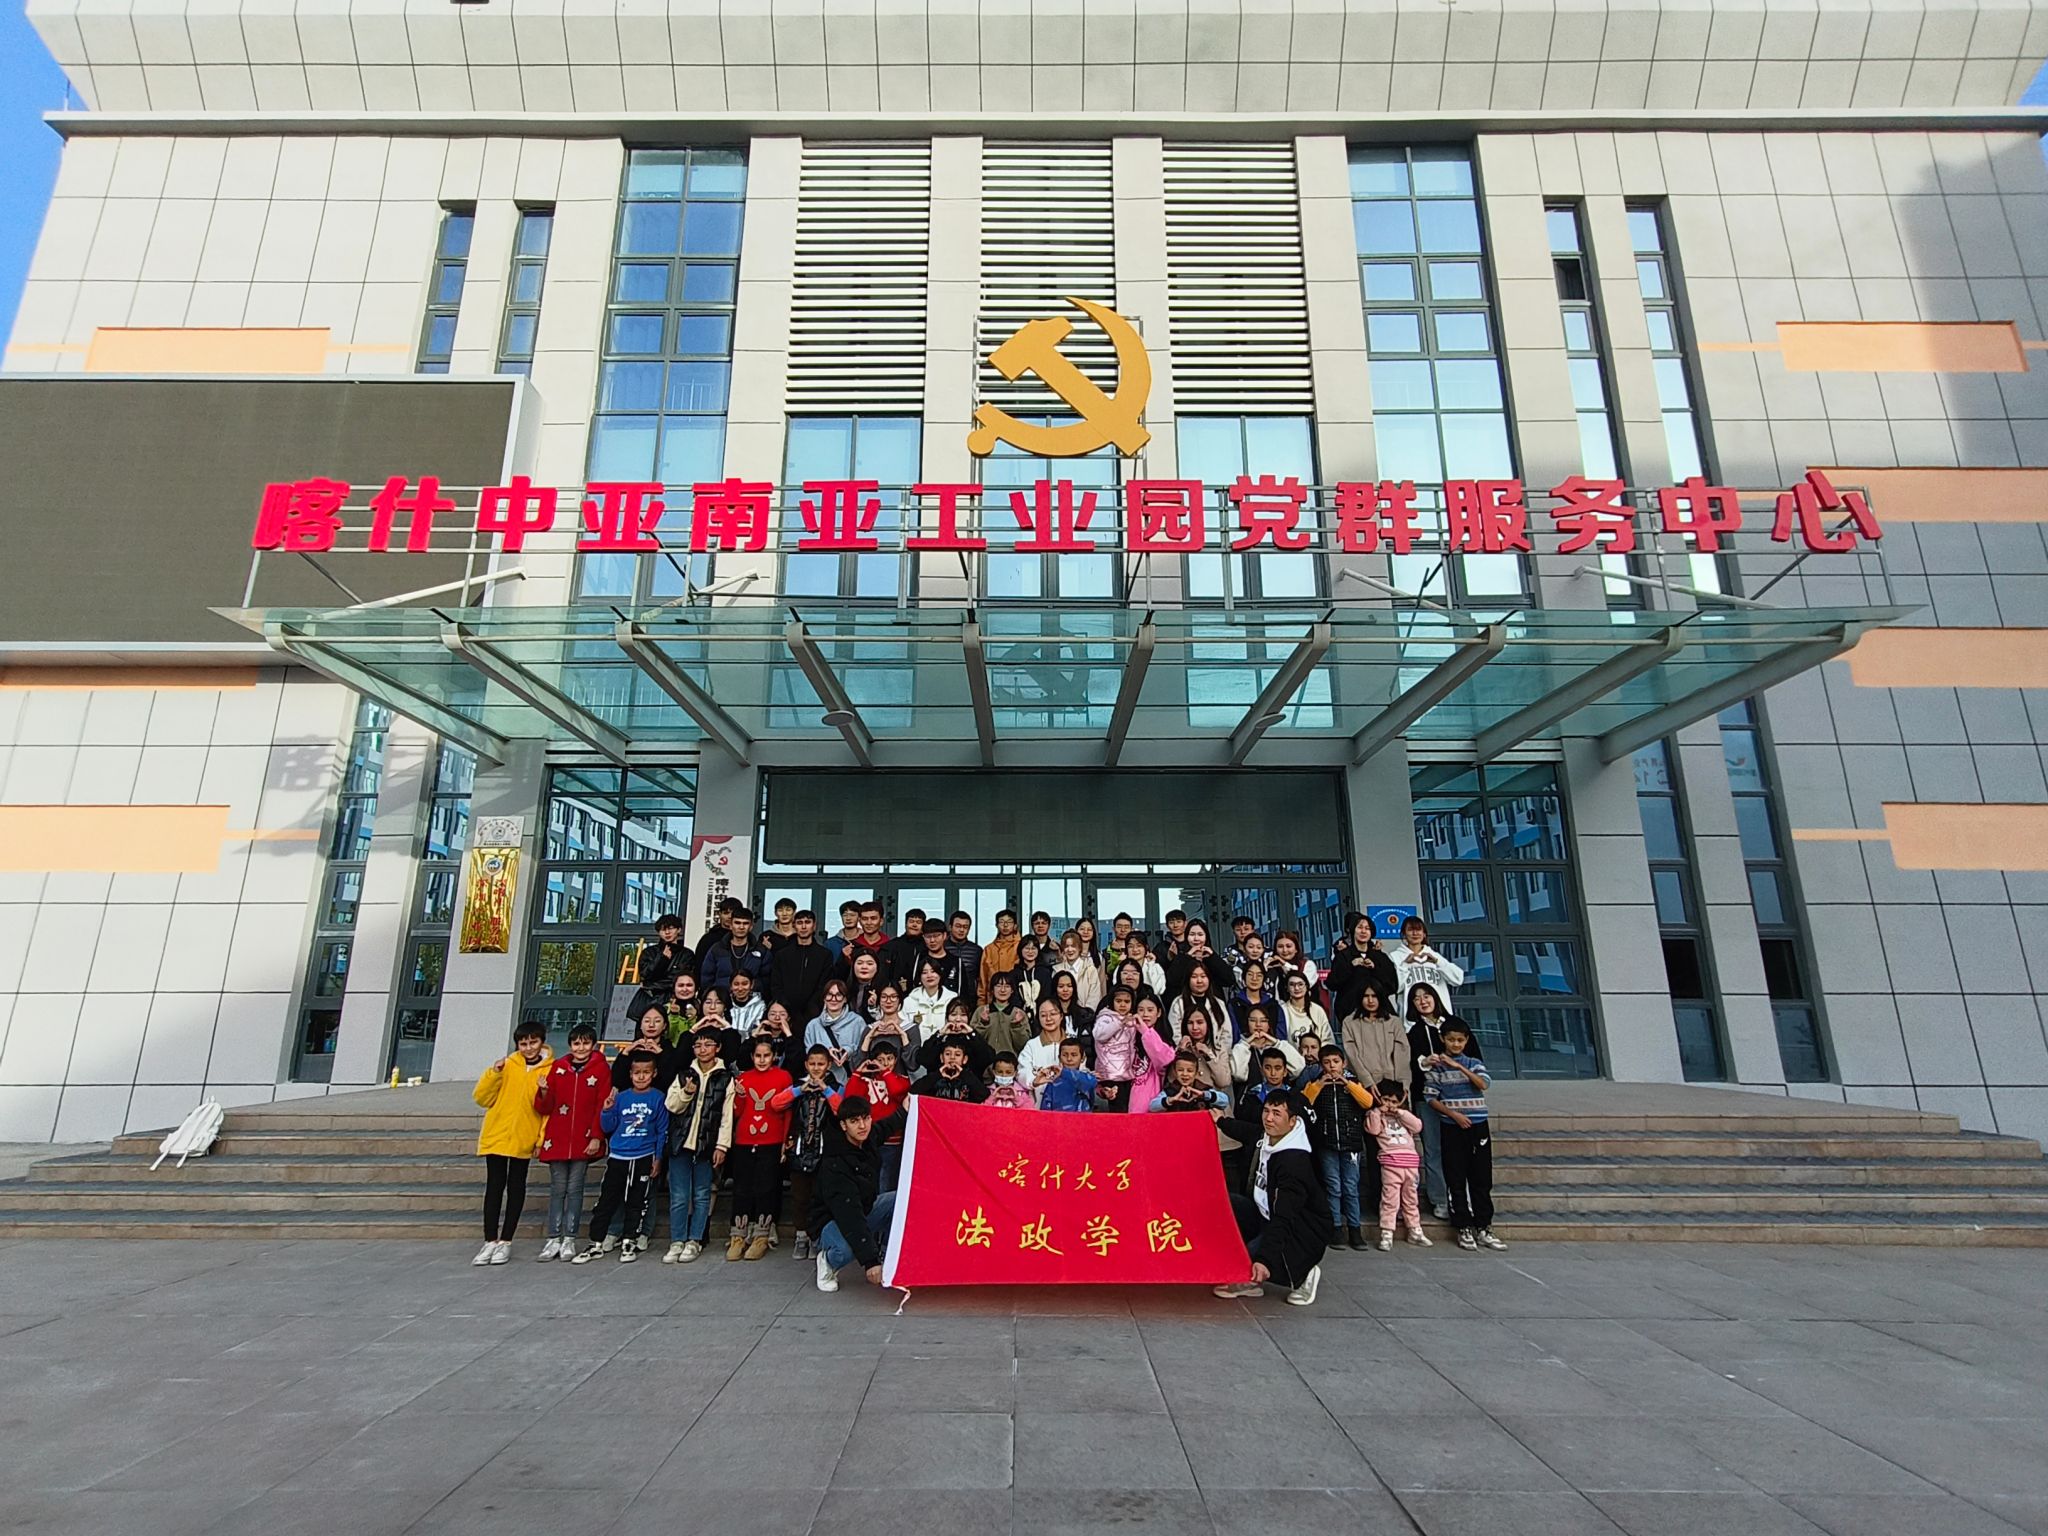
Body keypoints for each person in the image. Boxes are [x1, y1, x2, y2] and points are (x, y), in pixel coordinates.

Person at [1212, 1089, 1329, 1306]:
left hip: (1299, 1229)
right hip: (1264, 1213)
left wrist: (1264, 1259)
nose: (1268, 1118)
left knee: (1249, 1262)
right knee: (1225, 1203)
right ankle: (1253, 1276)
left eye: (1277, 1114)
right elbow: (1247, 1131)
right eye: (1266, 1111)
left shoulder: (1294, 1163)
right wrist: (1221, 1121)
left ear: (1292, 1121)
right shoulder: (1268, 1136)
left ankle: (1304, 1272)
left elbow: (1285, 1217)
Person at [471, 1022, 551, 1266]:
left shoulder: (550, 1069)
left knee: (516, 1188)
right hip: (497, 1134)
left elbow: (548, 1110)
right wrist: (493, 1073)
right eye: (523, 1043)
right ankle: (489, 1240)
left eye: (533, 1042)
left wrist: (541, 1139)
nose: (529, 1048)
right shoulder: (507, 1065)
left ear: (542, 1042)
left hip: (523, 1136)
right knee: (494, 1187)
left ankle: (506, 1241)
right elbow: (482, 1098)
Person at [575, 1053, 666, 1265]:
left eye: (646, 1073)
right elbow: (608, 1127)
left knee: (637, 1201)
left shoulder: (658, 1097)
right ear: (630, 1074)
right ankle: (596, 1242)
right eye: (637, 1073)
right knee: (607, 1200)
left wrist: (658, 1157)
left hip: (643, 1156)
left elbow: (662, 1131)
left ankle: (629, 1240)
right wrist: (607, 1110)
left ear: (654, 1074)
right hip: (618, 1156)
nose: (641, 1077)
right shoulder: (621, 1097)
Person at [1424, 1020, 1504, 1252]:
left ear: (1467, 1041)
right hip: (1452, 1126)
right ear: (1443, 1039)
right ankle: (1463, 1226)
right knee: (1456, 1177)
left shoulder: (1474, 1063)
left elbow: (1483, 1084)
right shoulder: (1437, 1069)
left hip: (1478, 1126)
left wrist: (1459, 1066)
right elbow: (1430, 1098)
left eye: (1460, 1040)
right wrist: (1454, 1115)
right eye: (1451, 1040)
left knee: (1481, 1178)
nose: (1455, 1044)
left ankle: (1484, 1226)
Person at [533, 1023, 607, 1262]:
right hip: (558, 1137)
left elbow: (602, 1104)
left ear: (593, 1045)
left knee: (575, 1189)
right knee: (557, 1189)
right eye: (576, 1043)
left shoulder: (601, 1069)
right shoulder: (558, 1067)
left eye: (586, 1043)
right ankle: (553, 1237)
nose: (581, 1048)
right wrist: (544, 1091)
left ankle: (570, 1238)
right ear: (570, 1045)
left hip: (583, 1139)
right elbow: (545, 1107)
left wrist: (596, 1136)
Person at [661, 1028, 732, 1263]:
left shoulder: (726, 1078)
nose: (703, 1050)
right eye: (698, 1045)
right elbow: (671, 1105)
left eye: (708, 1045)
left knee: (702, 1194)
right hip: (680, 1142)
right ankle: (677, 1240)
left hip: (707, 1144)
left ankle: (695, 1240)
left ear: (718, 1048)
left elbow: (727, 1116)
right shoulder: (684, 1074)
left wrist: (722, 1146)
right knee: (679, 1195)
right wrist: (686, 1093)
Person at [811, 1098, 893, 1293]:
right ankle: (827, 1261)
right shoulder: (835, 1163)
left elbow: (888, 1125)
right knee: (844, 1250)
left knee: (900, 1202)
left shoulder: (868, 1138)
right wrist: (870, 1261)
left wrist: (908, 1106)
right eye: (854, 1121)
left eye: (866, 1118)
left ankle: (891, 1257)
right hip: (830, 1220)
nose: (862, 1126)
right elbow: (849, 1214)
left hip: (864, 1208)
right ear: (843, 1125)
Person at [724, 1035, 793, 1262]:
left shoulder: (783, 1077)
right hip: (744, 1140)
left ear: (774, 1056)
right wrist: (740, 1096)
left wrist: (785, 1141)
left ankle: (761, 1235)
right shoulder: (744, 1078)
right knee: (742, 1188)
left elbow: (787, 1111)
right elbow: (736, 1112)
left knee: (766, 1188)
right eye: (758, 1056)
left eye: (766, 1055)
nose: (762, 1060)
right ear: (752, 1057)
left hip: (771, 1140)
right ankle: (738, 1235)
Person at [1407, 981, 1469, 1221]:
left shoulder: (1454, 1025)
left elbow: (1474, 1059)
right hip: (1428, 1097)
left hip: (1457, 1096)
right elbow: (1410, 1064)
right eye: (1417, 998)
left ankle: (1461, 1196)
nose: (1423, 1001)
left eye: (1427, 996)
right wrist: (1424, 1062)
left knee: (1459, 1150)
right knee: (1433, 1149)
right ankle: (1439, 1199)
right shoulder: (1413, 1032)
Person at [1303, 1045, 1374, 1251]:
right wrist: (1319, 1085)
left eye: (1336, 1062)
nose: (1332, 1067)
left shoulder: (1353, 1083)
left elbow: (1367, 1102)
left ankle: (1355, 1229)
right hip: (1327, 1143)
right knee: (1333, 1186)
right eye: (1327, 1063)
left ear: (1344, 1063)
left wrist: (1348, 1084)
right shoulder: (1316, 1083)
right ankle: (1335, 1228)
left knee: (1350, 1187)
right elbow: (1305, 1102)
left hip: (1351, 1143)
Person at [778, 1044, 837, 1261]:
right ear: (806, 1065)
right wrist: (798, 1091)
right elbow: (776, 1103)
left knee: (820, 1197)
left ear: (828, 1065)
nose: (816, 1068)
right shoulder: (798, 1086)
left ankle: (816, 1237)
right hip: (799, 1150)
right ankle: (801, 1236)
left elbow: (841, 1109)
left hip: (824, 1152)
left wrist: (826, 1090)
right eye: (812, 1064)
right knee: (800, 1196)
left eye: (821, 1064)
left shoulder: (835, 1086)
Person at [1368, 1079, 1431, 1250]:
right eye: (1386, 1100)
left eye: (1394, 1101)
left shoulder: (1405, 1117)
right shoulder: (1376, 1116)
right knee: (1390, 1199)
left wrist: (1401, 1111)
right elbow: (1373, 1129)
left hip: (1410, 1165)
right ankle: (1387, 1232)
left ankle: (1415, 1229)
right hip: (1390, 1164)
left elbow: (1417, 1126)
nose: (1390, 1105)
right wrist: (1377, 1111)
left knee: (1411, 1199)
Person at [849, 1038, 912, 1192]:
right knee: (869, 1183)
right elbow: (850, 1099)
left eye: (889, 1059)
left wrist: (885, 1072)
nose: (885, 1063)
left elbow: (897, 1092)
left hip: (893, 1141)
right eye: (880, 1060)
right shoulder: (864, 1081)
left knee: (886, 1184)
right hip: (870, 1139)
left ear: (896, 1060)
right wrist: (858, 1072)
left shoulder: (902, 1080)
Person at [1091, 985, 1160, 1113]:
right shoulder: (1105, 1017)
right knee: (1117, 1110)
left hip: (1126, 1075)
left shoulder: (1131, 1019)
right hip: (1110, 1074)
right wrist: (1119, 1023)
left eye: (1127, 1001)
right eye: (1118, 1001)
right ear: (1112, 1001)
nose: (1122, 1005)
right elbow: (1098, 1034)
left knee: (1126, 1109)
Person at [1326, 912, 1399, 1024]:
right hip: (1351, 1013)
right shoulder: (1343, 956)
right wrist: (1351, 966)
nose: (1363, 931)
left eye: (1367, 928)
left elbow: (1392, 986)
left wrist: (1375, 968)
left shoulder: (1380, 957)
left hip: (1380, 1014)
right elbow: (1332, 983)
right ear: (1352, 930)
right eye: (1360, 927)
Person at [1341, 983, 1411, 1092]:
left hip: (1393, 1083)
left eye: (1374, 996)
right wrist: (1367, 1081)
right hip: (1363, 1085)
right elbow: (1352, 1055)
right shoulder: (1349, 1022)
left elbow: (1402, 1055)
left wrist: (1402, 1085)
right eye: (1366, 996)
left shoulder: (1394, 1022)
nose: (1370, 1000)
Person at [769, 908, 833, 1022]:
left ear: (814, 926)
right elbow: (776, 984)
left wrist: (813, 1006)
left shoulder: (824, 955)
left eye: (807, 922)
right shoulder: (782, 955)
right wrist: (785, 1005)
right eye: (799, 923)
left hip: (814, 1012)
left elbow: (824, 985)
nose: (803, 927)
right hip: (786, 1012)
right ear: (794, 926)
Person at [629, 914, 695, 1020]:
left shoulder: (687, 954)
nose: (667, 932)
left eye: (671, 928)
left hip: (677, 1001)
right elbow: (645, 975)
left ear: (679, 930)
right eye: (663, 929)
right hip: (651, 1000)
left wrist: (656, 983)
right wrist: (662, 960)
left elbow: (682, 979)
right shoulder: (649, 953)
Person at [1390, 915, 1464, 1009]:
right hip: (1411, 1014)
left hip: (1439, 1013)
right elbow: (1395, 988)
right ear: (1404, 934)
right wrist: (1405, 965)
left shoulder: (1435, 956)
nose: (1415, 933)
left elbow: (1458, 979)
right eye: (1410, 930)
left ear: (1424, 934)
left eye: (1418, 930)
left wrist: (1438, 962)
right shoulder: (1395, 956)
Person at [804, 980, 865, 1084]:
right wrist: (826, 1053)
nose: (833, 999)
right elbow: (809, 1053)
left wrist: (848, 1051)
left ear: (845, 999)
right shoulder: (813, 1025)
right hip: (822, 1081)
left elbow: (864, 1051)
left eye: (838, 995)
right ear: (824, 998)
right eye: (829, 995)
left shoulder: (857, 1022)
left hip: (851, 1079)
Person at [700, 905, 769, 996]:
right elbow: (706, 978)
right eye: (737, 923)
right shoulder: (717, 949)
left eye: (745, 923)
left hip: (752, 999)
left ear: (751, 926)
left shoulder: (761, 950)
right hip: (722, 998)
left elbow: (767, 979)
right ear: (731, 925)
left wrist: (751, 990)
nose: (741, 927)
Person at [1231, 1003, 1305, 1085]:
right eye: (1253, 1020)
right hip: (1252, 1092)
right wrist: (1245, 1045)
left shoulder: (1279, 1045)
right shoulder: (1240, 1047)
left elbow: (1298, 1069)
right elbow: (1238, 1075)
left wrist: (1276, 1043)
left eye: (1263, 1021)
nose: (1258, 1024)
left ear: (1269, 1024)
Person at [1165, 918, 1233, 1003]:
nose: (1196, 938)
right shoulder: (1182, 957)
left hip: (1212, 1004)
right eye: (1192, 934)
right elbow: (1172, 980)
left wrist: (1213, 957)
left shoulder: (1212, 957)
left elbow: (1229, 980)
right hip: (1187, 1003)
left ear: (1206, 937)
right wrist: (1187, 957)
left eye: (1200, 934)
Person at [613, 1007, 678, 1092]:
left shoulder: (669, 1050)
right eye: (647, 1021)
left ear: (664, 1026)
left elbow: (671, 1080)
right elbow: (617, 1081)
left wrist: (661, 1054)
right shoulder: (632, 1049)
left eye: (657, 1021)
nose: (651, 1025)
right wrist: (625, 1053)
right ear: (640, 1025)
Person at [1170, 963, 1235, 1045]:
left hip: (1216, 1051)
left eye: (1203, 976)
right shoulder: (1178, 1003)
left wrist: (1216, 1051)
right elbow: (1175, 1034)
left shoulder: (1218, 1003)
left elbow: (1226, 1034)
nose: (1199, 981)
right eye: (1194, 977)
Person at [912, 1036, 988, 1105]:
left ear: (964, 1059)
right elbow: (914, 1091)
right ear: (942, 1058)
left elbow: (983, 1095)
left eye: (957, 1055)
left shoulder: (969, 1077)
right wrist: (938, 1074)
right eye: (948, 1054)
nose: (952, 1057)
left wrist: (963, 1074)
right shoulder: (935, 1077)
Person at [973, 972, 1033, 1057]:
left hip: (1010, 1062)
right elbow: (974, 1042)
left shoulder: (1018, 1013)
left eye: (1007, 986)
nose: (1003, 990)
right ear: (992, 990)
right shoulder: (981, 1011)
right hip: (985, 1062)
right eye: (998, 986)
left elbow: (1024, 1045)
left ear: (1012, 990)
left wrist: (1017, 1026)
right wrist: (983, 1023)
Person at [1017, 997, 1072, 1092]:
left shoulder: (1072, 1043)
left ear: (1061, 1016)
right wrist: (1034, 1081)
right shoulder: (1031, 1045)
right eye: (1043, 1015)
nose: (1048, 1019)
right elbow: (1022, 1073)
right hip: (1040, 1099)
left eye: (1053, 1014)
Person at [1148, 1052, 1229, 1114]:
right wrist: (1171, 1099)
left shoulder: (1203, 1088)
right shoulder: (1170, 1090)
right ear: (1175, 1072)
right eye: (1180, 1070)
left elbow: (1224, 1101)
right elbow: (1152, 1107)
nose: (1185, 1074)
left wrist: (1204, 1095)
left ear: (1196, 1073)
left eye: (1190, 1071)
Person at [903, 959, 957, 1042]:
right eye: (924, 972)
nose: (929, 975)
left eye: (933, 971)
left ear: (940, 974)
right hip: (916, 1047)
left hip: (945, 1047)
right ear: (920, 977)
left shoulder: (952, 999)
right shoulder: (909, 1001)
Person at [1037, 1038, 1098, 1112]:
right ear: (1059, 1058)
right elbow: (1045, 1113)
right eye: (1065, 1055)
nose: (1069, 1059)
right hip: (1059, 1119)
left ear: (1082, 1058)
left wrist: (1064, 1072)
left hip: (1083, 1119)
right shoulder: (1053, 1083)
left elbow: (1092, 1084)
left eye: (1074, 1055)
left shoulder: (1088, 1078)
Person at [978, 908, 1022, 1005]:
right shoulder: (989, 949)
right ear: (996, 925)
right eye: (1001, 922)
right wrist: (981, 1004)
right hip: (992, 1001)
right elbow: (983, 980)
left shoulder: (1021, 947)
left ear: (1015, 925)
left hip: (1016, 1001)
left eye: (1009, 922)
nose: (1005, 925)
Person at [1056, 930, 1105, 1011]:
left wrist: (1084, 1015)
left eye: (1073, 946)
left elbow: (1094, 998)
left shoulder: (1090, 970)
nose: (1070, 949)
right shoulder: (1057, 970)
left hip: (1086, 1015)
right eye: (1066, 946)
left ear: (1079, 948)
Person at [1279, 970, 1329, 1042]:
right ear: (1287, 988)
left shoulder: (1318, 1010)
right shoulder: (1282, 1010)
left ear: (1306, 987)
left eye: (1300, 984)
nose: (1296, 988)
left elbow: (1328, 1039)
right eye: (1292, 984)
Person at [945, 910, 983, 999]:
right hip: (945, 996)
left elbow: (981, 978)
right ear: (950, 927)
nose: (961, 930)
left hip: (970, 998)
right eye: (958, 926)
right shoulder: (942, 947)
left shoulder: (976, 950)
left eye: (965, 927)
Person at [1012, 935, 1056, 1011]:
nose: (1030, 952)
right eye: (1027, 948)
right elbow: (1014, 998)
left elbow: (1047, 995)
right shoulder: (1014, 974)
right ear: (1020, 950)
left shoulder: (1045, 972)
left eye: (1033, 948)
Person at [661, 972, 702, 1044]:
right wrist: (673, 1016)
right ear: (674, 988)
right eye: (681, 985)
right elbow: (667, 1037)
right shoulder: (665, 1009)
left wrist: (693, 1019)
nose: (685, 989)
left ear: (696, 988)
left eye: (689, 985)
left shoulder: (702, 1008)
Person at [1125, 931, 1166, 997]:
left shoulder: (1155, 967)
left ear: (1146, 947)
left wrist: (1151, 965)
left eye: (1139, 946)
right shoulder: (1121, 968)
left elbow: (1157, 990)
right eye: (1130, 946)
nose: (1135, 949)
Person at [726, 969, 766, 1035]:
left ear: (752, 985)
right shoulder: (725, 1005)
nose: (740, 988)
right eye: (736, 984)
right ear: (731, 986)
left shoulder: (761, 1006)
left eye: (744, 984)